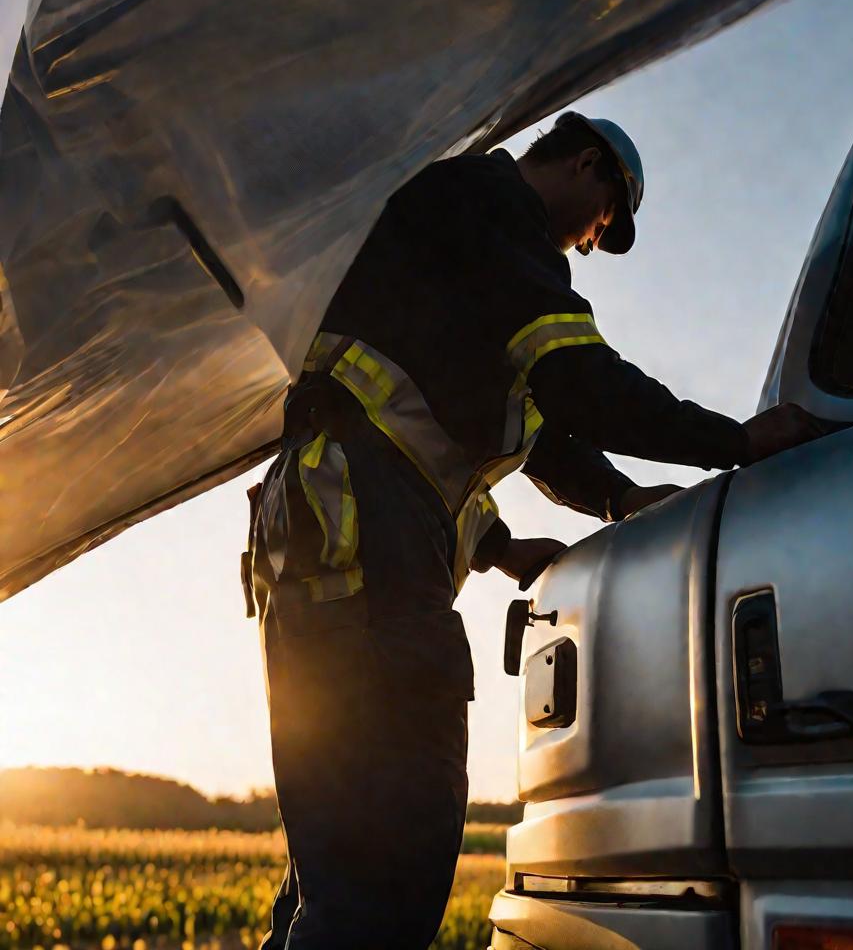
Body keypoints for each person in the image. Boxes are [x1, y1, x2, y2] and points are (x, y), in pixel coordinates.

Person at [242, 111, 821, 949]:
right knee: (389, 871)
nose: (589, 243)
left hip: (324, 547)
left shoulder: (448, 237)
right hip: (372, 562)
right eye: (602, 225)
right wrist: (732, 441)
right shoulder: (491, 208)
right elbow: (578, 380)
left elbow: (495, 428)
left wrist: (529, 534)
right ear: (589, 169)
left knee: (335, 878)